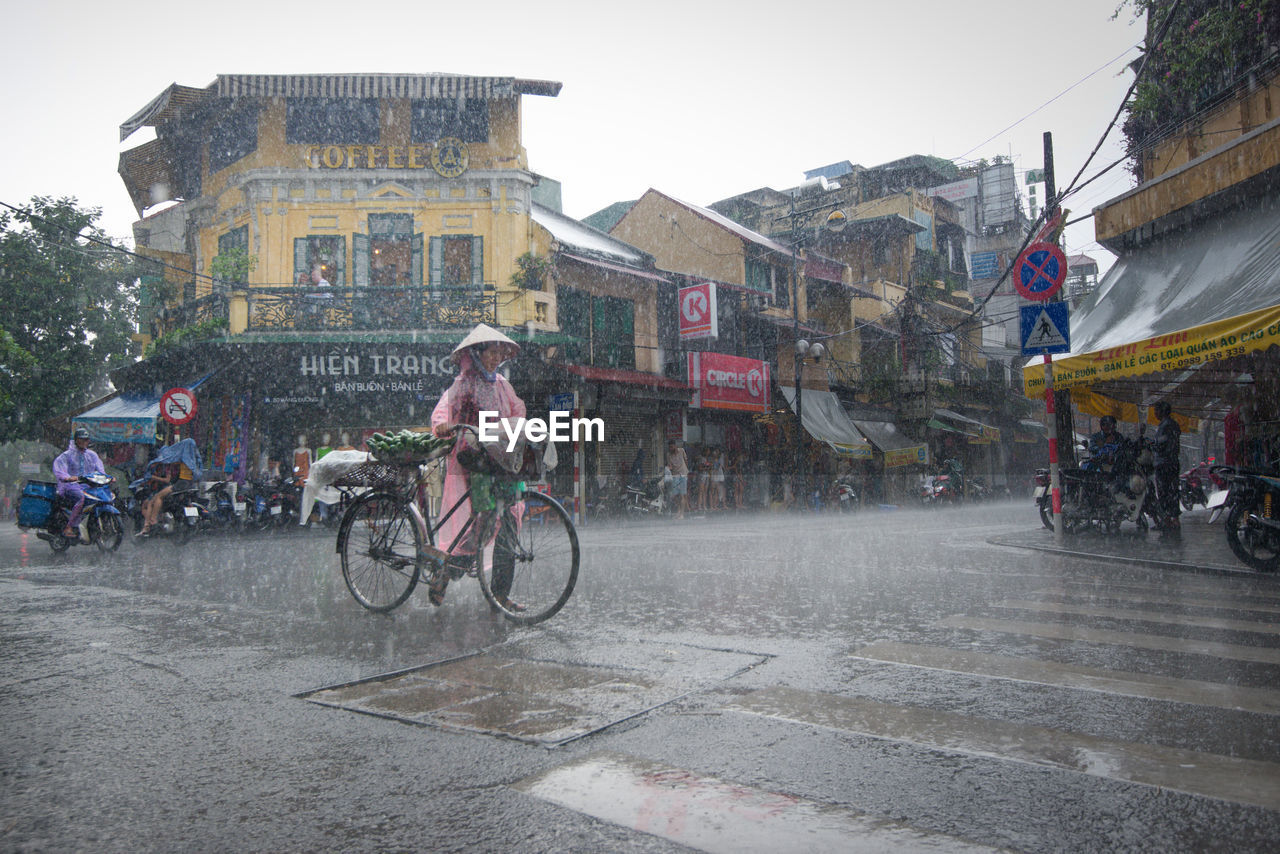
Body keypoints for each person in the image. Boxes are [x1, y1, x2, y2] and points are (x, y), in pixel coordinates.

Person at [430, 323, 525, 610]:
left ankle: (500, 593)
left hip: (500, 459)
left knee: (509, 519)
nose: (496, 358)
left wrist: (516, 425)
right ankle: (447, 570)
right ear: (477, 353)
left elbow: (517, 410)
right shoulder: (463, 385)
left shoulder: (502, 385)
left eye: (499, 353)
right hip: (474, 460)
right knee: (480, 525)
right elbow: (441, 414)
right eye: (491, 352)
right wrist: (445, 426)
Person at [137, 438, 202, 537]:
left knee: (158, 497)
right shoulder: (194, 459)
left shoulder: (184, 458)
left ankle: (153, 521)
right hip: (191, 484)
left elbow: (170, 459)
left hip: (181, 483)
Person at [52, 427, 106, 540]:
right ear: (76, 440)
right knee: (82, 498)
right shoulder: (67, 455)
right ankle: (69, 527)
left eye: (87, 439)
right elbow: (59, 469)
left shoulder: (92, 455)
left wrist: (107, 477)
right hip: (70, 486)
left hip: (88, 486)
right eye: (82, 439)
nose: (85, 442)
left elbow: (100, 470)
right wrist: (68, 478)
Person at [1152, 401, 1182, 538]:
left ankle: (1168, 520)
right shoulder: (1172, 425)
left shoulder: (1166, 426)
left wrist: (1153, 445)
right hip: (1171, 463)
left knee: (1165, 492)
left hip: (1164, 464)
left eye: (1156, 410)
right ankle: (1173, 518)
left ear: (1161, 411)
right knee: (1172, 491)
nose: (1154, 413)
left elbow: (1162, 445)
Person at [667, 439, 689, 519]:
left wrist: (686, 471)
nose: (671, 448)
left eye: (672, 447)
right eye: (669, 447)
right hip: (675, 475)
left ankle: (682, 514)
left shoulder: (681, 451)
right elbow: (670, 466)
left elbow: (686, 460)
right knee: (674, 495)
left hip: (683, 474)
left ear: (675, 446)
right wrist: (668, 469)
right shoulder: (669, 455)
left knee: (682, 495)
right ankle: (679, 510)